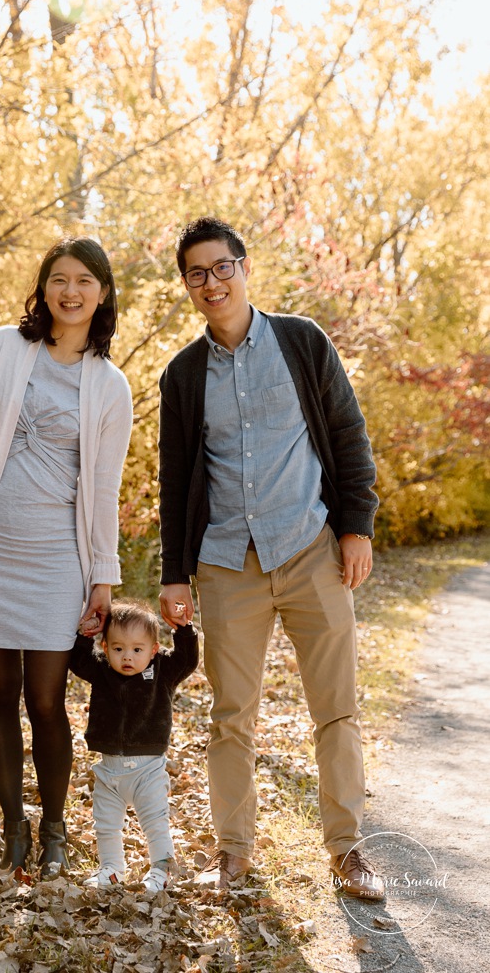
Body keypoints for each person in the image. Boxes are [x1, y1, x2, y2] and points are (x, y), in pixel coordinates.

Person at [157, 216, 385, 899]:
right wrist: (174, 572)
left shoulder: (300, 341)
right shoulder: (182, 375)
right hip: (228, 563)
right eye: (196, 272)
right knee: (232, 716)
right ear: (186, 286)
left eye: (221, 266)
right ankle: (232, 854)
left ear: (244, 267)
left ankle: (347, 852)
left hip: (310, 548)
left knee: (336, 709)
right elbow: (174, 479)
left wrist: (356, 526)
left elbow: (346, 432)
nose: (211, 282)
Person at [0, 237, 133, 879]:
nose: (69, 292)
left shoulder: (109, 385)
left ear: (102, 293)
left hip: (54, 563)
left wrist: (104, 576)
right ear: (43, 288)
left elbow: (103, 490)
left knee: (46, 701)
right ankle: (13, 824)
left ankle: (53, 825)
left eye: (83, 281)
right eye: (58, 279)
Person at [70, 599, 198, 891]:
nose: (127, 656)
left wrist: (183, 629)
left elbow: (188, 660)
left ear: (153, 650)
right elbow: (77, 662)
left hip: (147, 770)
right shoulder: (102, 669)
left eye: (137, 649)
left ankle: (162, 870)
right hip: (109, 770)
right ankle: (111, 869)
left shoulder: (163, 669)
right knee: (105, 824)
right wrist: (85, 635)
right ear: (106, 648)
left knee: (155, 822)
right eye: (118, 648)